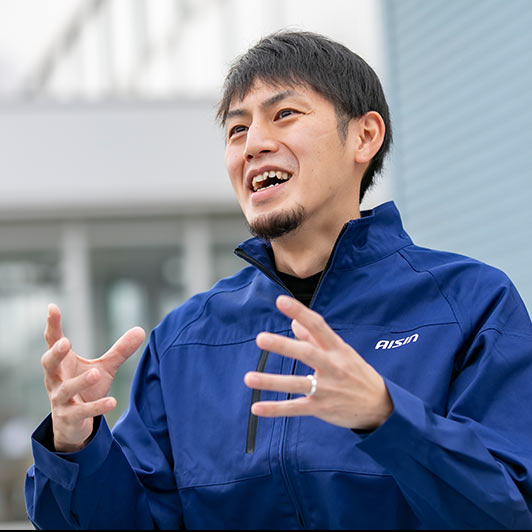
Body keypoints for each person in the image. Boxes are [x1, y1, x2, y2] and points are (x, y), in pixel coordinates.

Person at [25, 30, 532, 530]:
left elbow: (510, 510)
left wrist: (386, 416)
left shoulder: (471, 304)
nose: (254, 144)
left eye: (284, 114)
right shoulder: (186, 338)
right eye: (237, 130)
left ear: (364, 136)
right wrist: (75, 444)